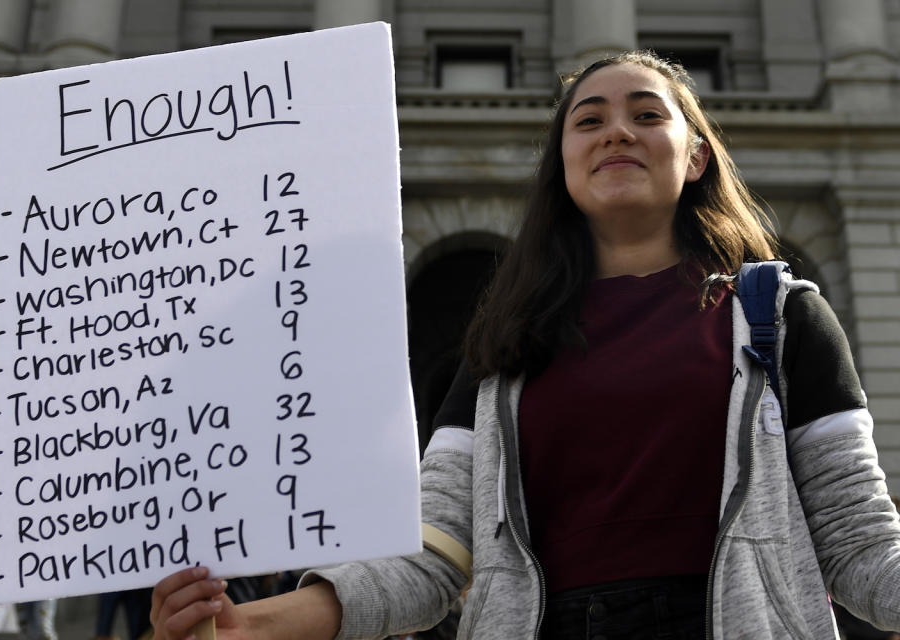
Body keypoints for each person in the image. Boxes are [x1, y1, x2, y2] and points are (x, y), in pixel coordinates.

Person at [150, 50, 900, 639]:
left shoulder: (782, 316)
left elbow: (859, 545)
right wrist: (253, 625)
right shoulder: (503, 344)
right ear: (563, 163)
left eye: (647, 114)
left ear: (697, 155)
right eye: (589, 119)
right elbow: (433, 556)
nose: (617, 131)